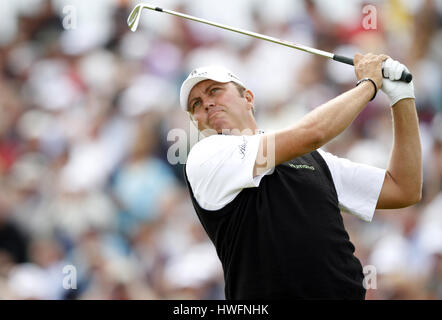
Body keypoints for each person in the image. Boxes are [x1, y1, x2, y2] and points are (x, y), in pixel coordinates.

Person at [180, 53, 422, 299]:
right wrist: (369, 85)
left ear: (248, 98)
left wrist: (402, 96)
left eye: (214, 91)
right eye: (196, 104)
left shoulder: (314, 158)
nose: (206, 103)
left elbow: (403, 188)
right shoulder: (205, 157)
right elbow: (313, 132)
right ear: (195, 121)